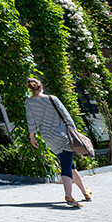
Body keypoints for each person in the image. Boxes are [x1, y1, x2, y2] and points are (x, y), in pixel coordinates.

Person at [25, 77, 92, 208]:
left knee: (71, 166)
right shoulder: (52, 99)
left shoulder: (29, 102)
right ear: (41, 86)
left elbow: (30, 121)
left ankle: (85, 193)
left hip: (48, 137)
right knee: (66, 166)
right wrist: (75, 133)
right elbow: (67, 116)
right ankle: (68, 195)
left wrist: (32, 137)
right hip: (62, 136)